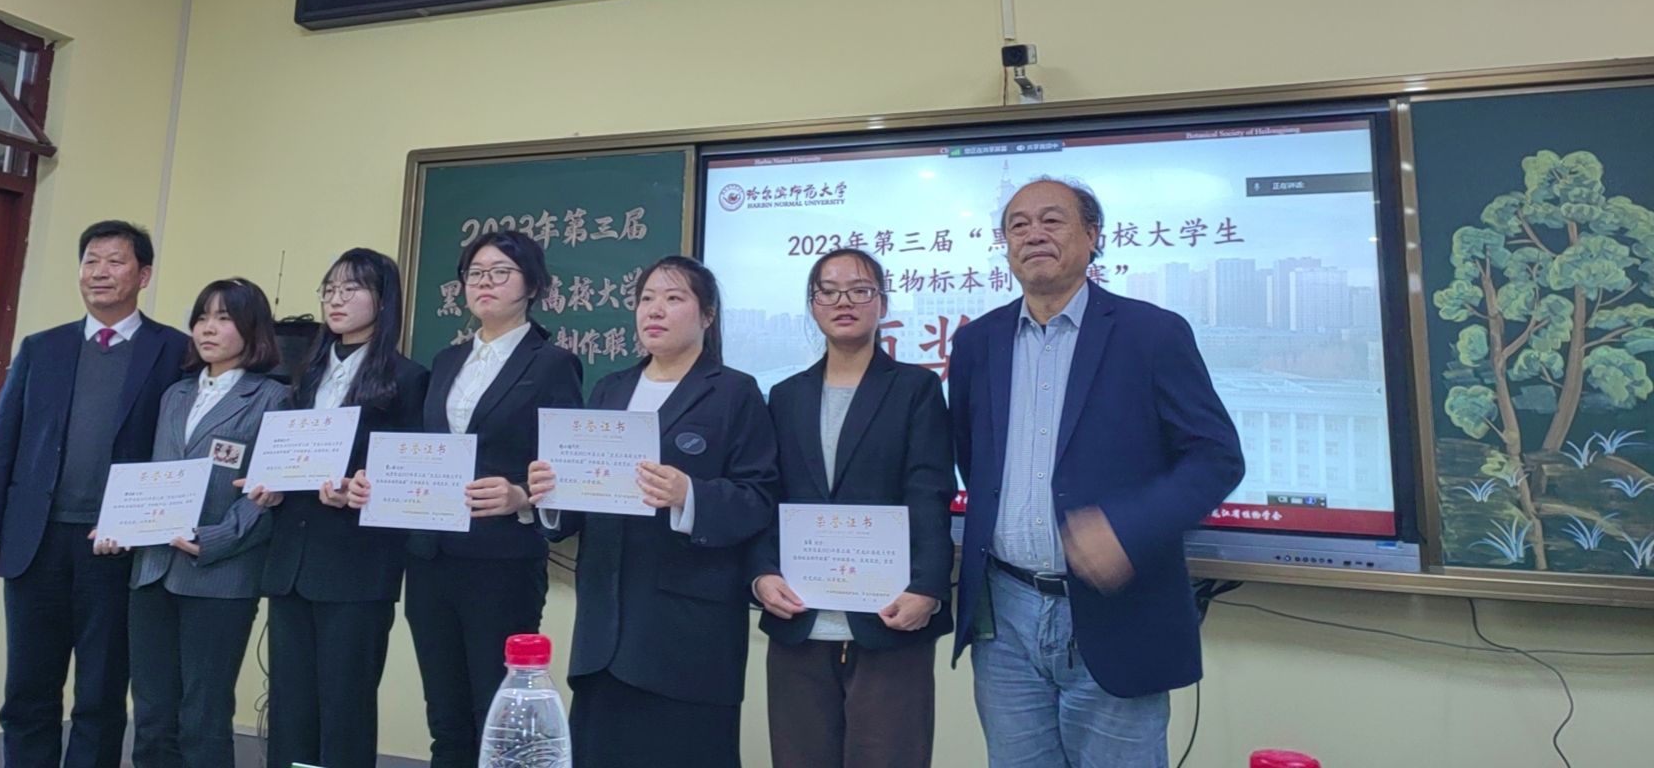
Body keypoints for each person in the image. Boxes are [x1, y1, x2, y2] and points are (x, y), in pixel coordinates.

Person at [951, 178, 1244, 768]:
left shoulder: (1151, 333)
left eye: (1052, 220)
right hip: (1004, 617)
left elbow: (1217, 457)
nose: (1033, 234)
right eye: (1018, 225)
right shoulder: (977, 343)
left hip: (1117, 614)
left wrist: (1127, 529)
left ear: (1092, 236)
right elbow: (972, 458)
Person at [527, 255, 778, 768]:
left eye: (673, 298)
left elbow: (760, 498)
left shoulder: (735, 392)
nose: (654, 310)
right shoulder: (610, 388)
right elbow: (579, 505)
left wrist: (691, 495)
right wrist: (550, 496)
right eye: (646, 299)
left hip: (689, 636)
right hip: (604, 632)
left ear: (707, 315)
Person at [0, 220, 192, 768]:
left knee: (101, 694)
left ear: (144, 275)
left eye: (115, 261)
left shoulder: (175, 351)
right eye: (91, 260)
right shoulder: (42, 348)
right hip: (35, 542)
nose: (100, 272)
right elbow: (3, 446)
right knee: (27, 691)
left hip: (115, 546)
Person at [349, 229, 582, 768]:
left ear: (533, 285)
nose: (484, 283)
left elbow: (568, 466)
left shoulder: (551, 363)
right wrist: (375, 483)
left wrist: (521, 495)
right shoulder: (448, 359)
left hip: (501, 562)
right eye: (475, 273)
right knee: (446, 717)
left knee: (497, 715)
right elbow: (423, 451)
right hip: (431, 559)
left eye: (500, 272)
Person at [752, 248, 954, 768]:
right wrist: (762, 574)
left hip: (891, 618)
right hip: (800, 619)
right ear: (812, 305)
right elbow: (768, 497)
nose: (844, 302)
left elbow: (929, 492)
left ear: (882, 303)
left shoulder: (915, 388)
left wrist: (928, 588)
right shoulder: (785, 395)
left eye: (860, 290)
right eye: (828, 291)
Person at [95, 278, 286, 768]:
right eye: (202, 317)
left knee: (203, 717)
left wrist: (217, 538)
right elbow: (153, 476)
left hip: (221, 576)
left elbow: (271, 494)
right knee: (152, 716)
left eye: (224, 318)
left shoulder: (273, 398)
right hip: (152, 571)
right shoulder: (174, 395)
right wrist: (121, 523)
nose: (208, 329)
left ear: (252, 329)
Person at [251, 249, 429, 768]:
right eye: (330, 289)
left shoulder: (408, 379)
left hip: (357, 565)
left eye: (352, 288)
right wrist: (270, 486)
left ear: (384, 300)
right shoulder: (302, 374)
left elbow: (412, 476)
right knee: (290, 708)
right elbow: (287, 460)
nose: (337, 299)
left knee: (344, 707)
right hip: (292, 562)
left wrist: (363, 487)